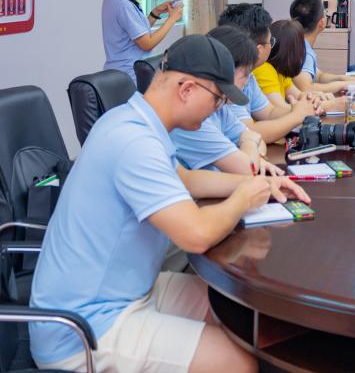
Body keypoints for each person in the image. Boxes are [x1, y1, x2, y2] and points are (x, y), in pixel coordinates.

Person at [29, 34, 309, 373]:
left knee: (234, 309)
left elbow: (186, 179)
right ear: (187, 89)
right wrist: (242, 199)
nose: (218, 109)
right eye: (218, 99)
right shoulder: (134, 142)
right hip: (86, 326)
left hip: (132, 291)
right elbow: (196, 235)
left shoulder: (135, 121)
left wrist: (258, 183)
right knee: (237, 361)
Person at [170, 26, 281, 175]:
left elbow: (258, 141)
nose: (248, 81)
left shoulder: (219, 106)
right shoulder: (190, 116)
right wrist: (249, 142)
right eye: (246, 74)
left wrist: (257, 157)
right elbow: (247, 168)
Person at [217, 3, 321, 143]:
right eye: (270, 41)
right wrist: (296, 116)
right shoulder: (231, 79)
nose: (272, 46)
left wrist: (301, 109)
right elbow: (249, 132)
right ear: (259, 50)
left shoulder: (248, 75)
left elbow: (268, 112)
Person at [101, 0, 182, 83]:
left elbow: (137, 33)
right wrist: (171, 19)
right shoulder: (123, 5)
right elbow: (147, 43)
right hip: (129, 77)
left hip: (121, 73)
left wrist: (155, 13)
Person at [255, 20, 346, 113]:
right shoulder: (264, 69)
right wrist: (330, 105)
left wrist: (315, 96)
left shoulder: (280, 69)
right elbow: (280, 109)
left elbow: (298, 95)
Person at [289, 0, 355, 94]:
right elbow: (307, 89)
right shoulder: (303, 51)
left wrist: (343, 78)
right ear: (321, 22)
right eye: (324, 13)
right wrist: (342, 85)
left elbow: (319, 76)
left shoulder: (301, 44)